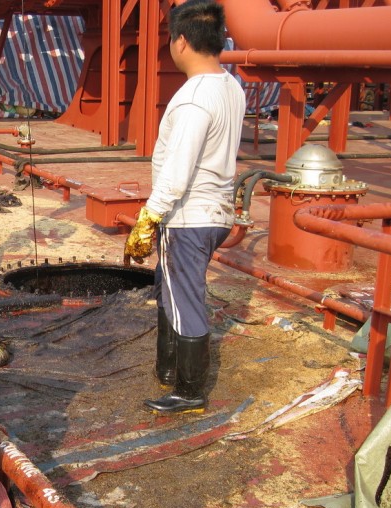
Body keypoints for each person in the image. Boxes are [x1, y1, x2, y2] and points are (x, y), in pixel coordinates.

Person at [124, 0, 245, 414]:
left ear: (180, 41)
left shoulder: (193, 98)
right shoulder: (230, 86)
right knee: (170, 287)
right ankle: (169, 367)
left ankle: (189, 391)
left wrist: (149, 216)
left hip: (189, 216)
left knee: (184, 298)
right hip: (215, 212)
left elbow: (177, 170)